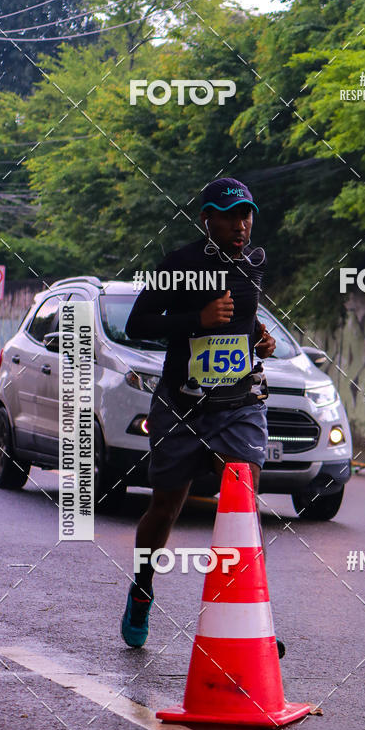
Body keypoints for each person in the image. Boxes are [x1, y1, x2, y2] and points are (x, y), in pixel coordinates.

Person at [120, 177, 279, 651]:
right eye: (229, 216)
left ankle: (248, 621)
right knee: (165, 506)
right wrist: (197, 321)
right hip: (182, 405)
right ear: (206, 218)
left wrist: (260, 339)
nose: (241, 224)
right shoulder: (178, 265)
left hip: (238, 405)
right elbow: (138, 324)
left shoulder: (255, 262)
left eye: (246, 214)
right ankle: (143, 588)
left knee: (240, 503)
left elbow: (244, 321)